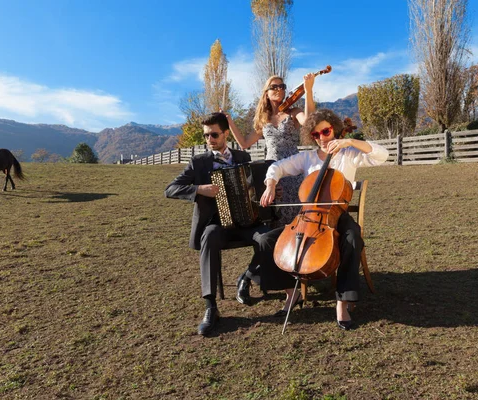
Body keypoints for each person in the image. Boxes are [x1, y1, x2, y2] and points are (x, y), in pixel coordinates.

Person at [258, 109, 389, 330]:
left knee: (352, 238)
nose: (322, 138)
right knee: (265, 240)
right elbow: (277, 167)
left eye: (326, 132)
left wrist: (351, 141)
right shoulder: (307, 158)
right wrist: (270, 183)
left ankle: (342, 301)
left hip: (338, 215)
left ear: (335, 130)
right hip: (307, 217)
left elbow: (382, 155)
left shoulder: (349, 153)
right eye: (316, 135)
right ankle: (292, 293)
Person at [164, 112, 271, 336]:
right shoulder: (199, 163)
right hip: (218, 225)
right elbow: (170, 189)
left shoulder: (243, 158)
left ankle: (247, 276)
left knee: (269, 236)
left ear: (224, 134)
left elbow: (256, 186)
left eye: (214, 134)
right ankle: (211, 306)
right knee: (209, 236)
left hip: (246, 221)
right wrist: (199, 189)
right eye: (206, 136)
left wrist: (267, 191)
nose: (209, 139)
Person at [224, 73, 316, 302]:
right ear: (266, 92)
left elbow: (311, 121)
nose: (279, 89)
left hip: (293, 174)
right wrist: (229, 121)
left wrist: (309, 89)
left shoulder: (293, 113)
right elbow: (245, 144)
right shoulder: (264, 119)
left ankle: (291, 276)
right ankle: (253, 275)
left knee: (292, 227)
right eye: (274, 86)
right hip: (270, 177)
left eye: (282, 86)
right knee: (272, 230)